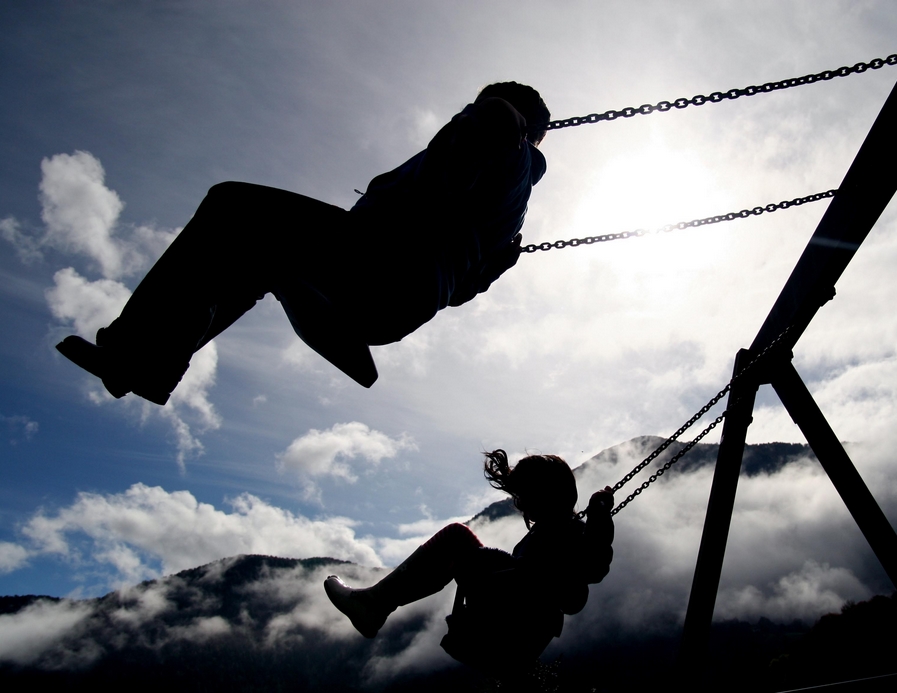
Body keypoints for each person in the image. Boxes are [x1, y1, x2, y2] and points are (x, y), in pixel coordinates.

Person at [55, 82, 549, 405]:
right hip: (396, 304)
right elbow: (460, 292)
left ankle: (140, 356)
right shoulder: (510, 206)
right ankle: (148, 363)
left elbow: (489, 131)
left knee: (233, 207)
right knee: (255, 257)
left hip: (381, 267)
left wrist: (487, 115)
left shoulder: (502, 141)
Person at [324, 450, 614, 674]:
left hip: (519, 622)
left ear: (546, 492)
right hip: (510, 613)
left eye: (524, 495)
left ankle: (374, 605)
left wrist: (600, 515)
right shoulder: (544, 535)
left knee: (456, 538)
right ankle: (375, 605)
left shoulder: (571, 531)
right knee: (454, 550)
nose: (520, 504)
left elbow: (592, 566)